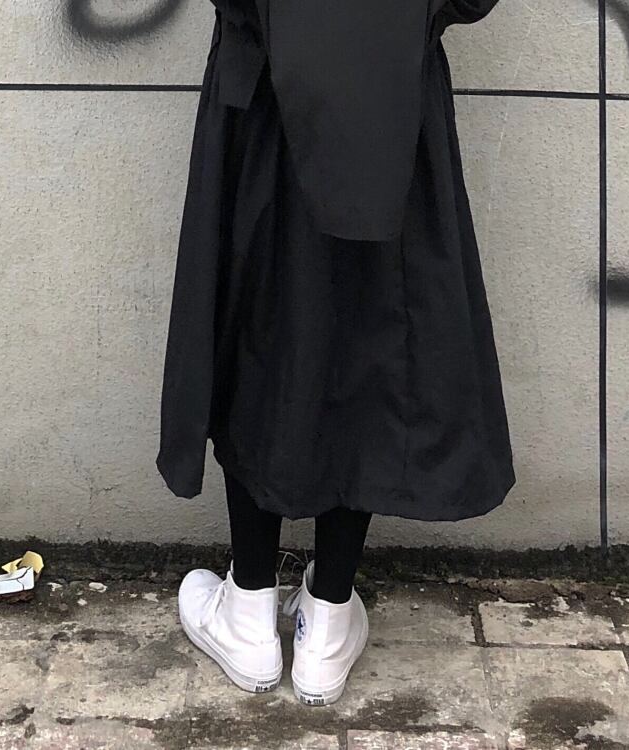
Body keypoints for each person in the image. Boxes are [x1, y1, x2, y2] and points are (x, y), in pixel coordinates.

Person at [157, 0, 515, 706]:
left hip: (262, 91)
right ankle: (326, 615)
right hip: (390, 98)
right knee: (371, 326)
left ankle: (250, 609)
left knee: (258, 320)